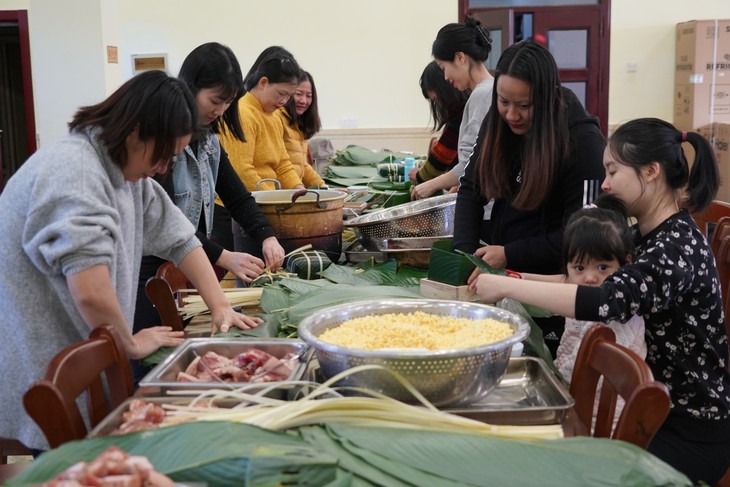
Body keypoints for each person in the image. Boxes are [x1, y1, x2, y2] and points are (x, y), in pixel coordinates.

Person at [0, 70, 253, 451]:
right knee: (61, 455)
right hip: (39, 354)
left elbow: (182, 239)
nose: (165, 167)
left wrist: (220, 307)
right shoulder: (76, 171)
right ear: (135, 131)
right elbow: (90, 292)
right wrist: (129, 345)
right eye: (164, 154)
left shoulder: (125, 174)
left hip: (84, 346)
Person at [469, 118, 730, 484]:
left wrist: (507, 289)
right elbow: (578, 282)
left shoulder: (675, 247)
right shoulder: (645, 233)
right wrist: (511, 279)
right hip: (646, 407)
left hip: (685, 429)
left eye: (612, 171)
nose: (604, 183)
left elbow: (604, 298)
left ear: (651, 171)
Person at [133, 43, 286, 380]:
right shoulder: (164, 141)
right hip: (149, 272)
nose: (221, 110)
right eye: (215, 100)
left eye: (228, 102)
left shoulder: (209, 140)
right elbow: (169, 222)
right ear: (191, 87)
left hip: (185, 262)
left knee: (171, 362)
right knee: (147, 367)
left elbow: (238, 198)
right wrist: (223, 256)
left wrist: (266, 235)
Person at [454, 40, 606, 355]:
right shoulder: (498, 123)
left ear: (549, 98)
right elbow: (471, 189)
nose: (512, 115)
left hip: (551, 295)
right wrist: (463, 257)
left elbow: (586, 241)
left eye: (524, 106)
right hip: (506, 281)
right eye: (503, 101)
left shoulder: (582, 141)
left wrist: (511, 253)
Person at [553, 194, 646, 391]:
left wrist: (553, 381)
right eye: (579, 268)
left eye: (603, 267)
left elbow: (585, 371)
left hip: (605, 411)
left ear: (626, 264)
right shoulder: (580, 297)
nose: (590, 278)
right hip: (575, 394)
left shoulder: (616, 315)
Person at [411, 15, 494, 200]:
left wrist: (429, 185)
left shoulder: (482, 95)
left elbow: (470, 163)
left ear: (460, 58)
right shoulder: (487, 90)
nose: (446, 77)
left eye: (443, 67)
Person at [218, 48, 305, 192]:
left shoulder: (275, 117)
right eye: (281, 93)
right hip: (239, 205)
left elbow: (283, 165)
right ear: (263, 82)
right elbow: (241, 171)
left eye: (289, 96)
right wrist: (273, 199)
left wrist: (301, 191)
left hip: (265, 199)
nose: (284, 101)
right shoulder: (243, 113)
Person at [407, 61, 468, 190]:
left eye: (437, 100)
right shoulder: (463, 106)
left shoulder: (461, 112)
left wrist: (419, 176)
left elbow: (442, 157)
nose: (438, 105)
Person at [276, 69, 325, 187]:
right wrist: (299, 188)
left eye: (308, 96)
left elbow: (302, 164)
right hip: (282, 193)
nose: (303, 100)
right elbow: (281, 165)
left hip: (294, 190)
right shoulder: (277, 118)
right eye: (298, 94)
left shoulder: (299, 124)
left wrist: (323, 187)